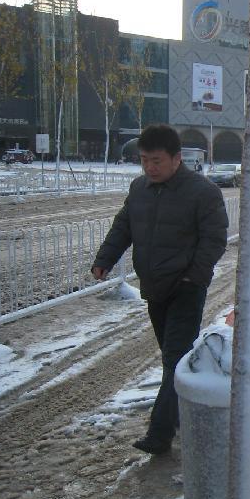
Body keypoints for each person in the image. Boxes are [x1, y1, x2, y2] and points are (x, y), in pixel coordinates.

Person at [91, 124, 228, 455]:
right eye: (144, 161)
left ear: (177, 159)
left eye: (156, 161)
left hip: (186, 288)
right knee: (175, 358)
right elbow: (124, 226)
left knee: (174, 358)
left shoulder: (202, 192)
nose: (150, 167)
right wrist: (105, 259)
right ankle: (184, 410)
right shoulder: (139, 188)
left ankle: (160, 433)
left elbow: (215, 239)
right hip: (154, 288)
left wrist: (193, 276)